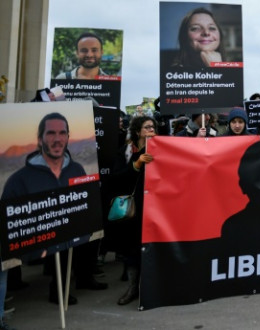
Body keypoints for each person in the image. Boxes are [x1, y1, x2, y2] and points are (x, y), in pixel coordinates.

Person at [2, 112, 106, 306]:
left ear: (68, 136)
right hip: (40, 241)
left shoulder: (77, 170)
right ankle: (54, 290)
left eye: (62, 133)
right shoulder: (19, 180)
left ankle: (63, 289)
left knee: (69, 254)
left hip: (71, 235)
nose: (57, 139)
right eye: (51, 133)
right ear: (40, 138)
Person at [110, 116, 156, 305]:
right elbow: (116, 179)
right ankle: (132, 288)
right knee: (133, 250)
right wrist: (136, 165)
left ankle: (150, 288)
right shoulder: (127, 152)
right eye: (147, 127)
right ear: (138, 132)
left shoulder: (162, 150)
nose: (151, 130)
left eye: (153, 127)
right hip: (134, 209)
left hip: (154, 208)